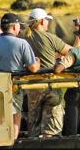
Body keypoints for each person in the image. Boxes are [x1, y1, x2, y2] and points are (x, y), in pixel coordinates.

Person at [0, 13, 40, 139]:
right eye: (19, 26)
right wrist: (38, 62)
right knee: (15, 114)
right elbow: (33, 68)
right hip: (13, 87)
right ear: (14, 27)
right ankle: (13, 141)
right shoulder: (22, 43)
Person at [21, 8, 73, 138]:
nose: (48, 23)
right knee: (52, 127)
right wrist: (77, 33)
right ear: (42, 22)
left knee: (33, 124)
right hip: (51, 85)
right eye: (46, 21)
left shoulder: (23, 37)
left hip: (31, 87)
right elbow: (73, 53)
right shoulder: (50, 38)